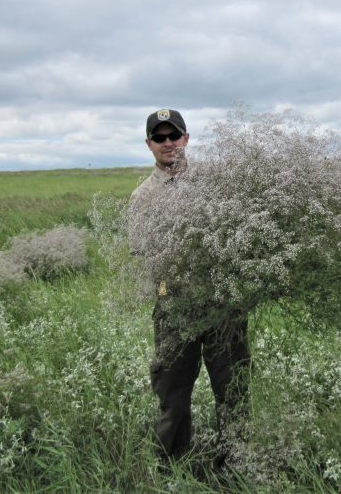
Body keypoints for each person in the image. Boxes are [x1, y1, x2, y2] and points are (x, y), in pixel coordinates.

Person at [130, 109, 250, 466]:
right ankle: (171, 467)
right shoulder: (143, 197)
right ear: (149, 144)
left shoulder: (216, 183)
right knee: (173, 394)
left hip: (223, 303)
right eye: (160, 137)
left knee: (233, 389)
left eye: (174, 136)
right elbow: (143, 251)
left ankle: (237, 464)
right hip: (172, 302)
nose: (168, 143)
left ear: (186, 138)